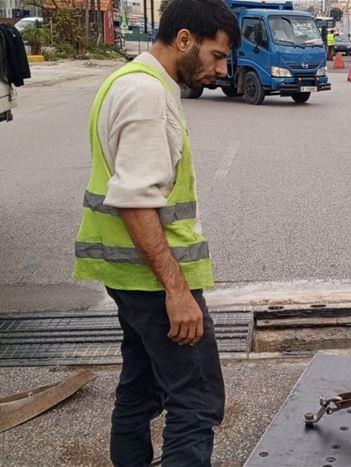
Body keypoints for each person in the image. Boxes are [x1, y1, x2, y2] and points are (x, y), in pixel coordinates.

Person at [72, 1, 240, 465]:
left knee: (140, 387)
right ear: (184, 40)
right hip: (152, 282)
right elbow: (135, 199)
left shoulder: (128, 81)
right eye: (216, 55)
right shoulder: (147, 95)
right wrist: (177, 292)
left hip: (129, 278)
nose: (222, 69)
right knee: (196, 400)